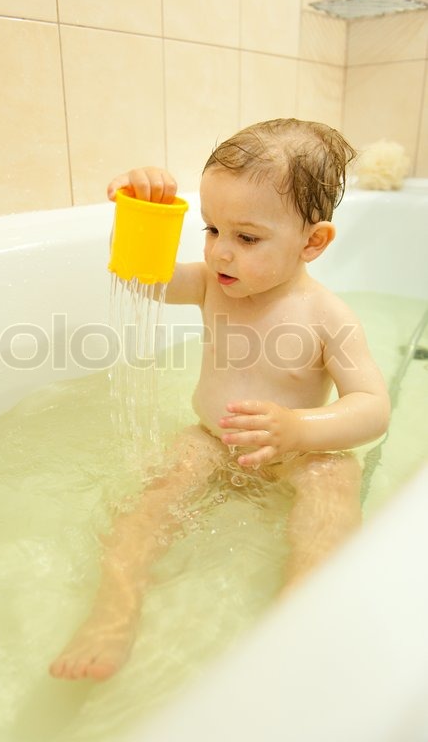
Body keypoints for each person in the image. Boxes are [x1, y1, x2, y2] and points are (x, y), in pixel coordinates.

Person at [49, 118, 390, 681]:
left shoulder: (327, 316)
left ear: (313, 241)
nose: (220, 252)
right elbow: (141, 276)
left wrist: (300, 429)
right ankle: (113, 613)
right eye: (211, 229)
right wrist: (142, 212)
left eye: (247, 238)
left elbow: (372, 406)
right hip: (212, 440)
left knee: (332, 492)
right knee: (147, 508)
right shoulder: (211, 282)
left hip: (299, 455)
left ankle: (296, 624)